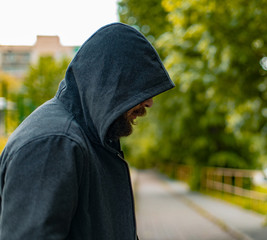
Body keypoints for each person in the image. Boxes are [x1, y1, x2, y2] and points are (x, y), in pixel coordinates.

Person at [0, 23, 175, 240]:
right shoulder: (53, 143)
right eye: (138, 88)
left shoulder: (88, 140)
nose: (148, 102)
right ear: (109, 81)